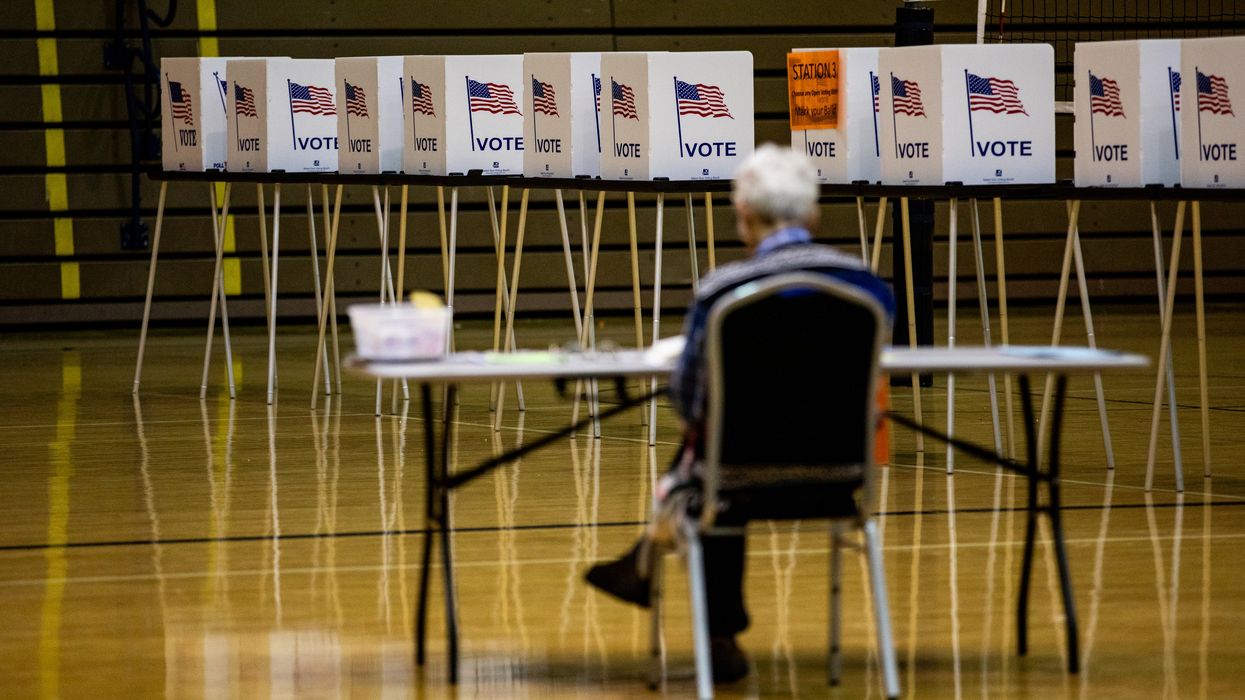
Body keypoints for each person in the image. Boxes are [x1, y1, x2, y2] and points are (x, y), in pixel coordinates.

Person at [585, 144, 896, 684]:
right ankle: (658, 570)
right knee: (712, 467)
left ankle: (706, 621)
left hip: (733, 476)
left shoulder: (722, 290)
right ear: (814, 215)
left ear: (745, 217)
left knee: (706, 472)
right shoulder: (868, 288)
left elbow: (690, 400)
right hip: (842, 474)